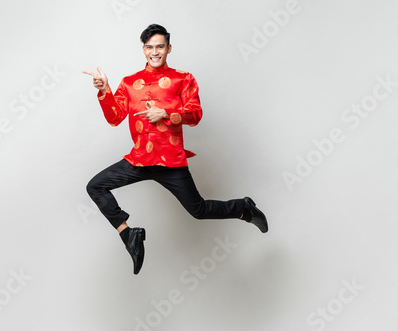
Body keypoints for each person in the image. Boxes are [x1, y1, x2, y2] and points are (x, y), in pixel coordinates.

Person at [83, 24, 268, 275]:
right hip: (139, 159)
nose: (155, 52)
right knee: (95, 186)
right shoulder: (129, 83)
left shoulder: (184, 79)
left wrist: (166, 113)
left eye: (160, 46)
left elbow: (195, 114)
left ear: (169, 48)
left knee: (199, 210)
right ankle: (129, 235)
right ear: (143, 50)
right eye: (149, 47)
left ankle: (244, 208)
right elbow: (115, 117)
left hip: (170, 161)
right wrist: (104, 90)